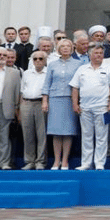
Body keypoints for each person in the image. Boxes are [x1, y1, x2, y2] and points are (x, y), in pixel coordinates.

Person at [69, 42, 110, 170]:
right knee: (86, 136)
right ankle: (86, 163)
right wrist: (75, 104)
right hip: (85, 108)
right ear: (90, 55)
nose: (99, 55)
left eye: (101, 53)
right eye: (96, 53)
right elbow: (75, 88)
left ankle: (100, 163)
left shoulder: (109, 68)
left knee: (102, 136)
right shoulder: (82, 69)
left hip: (102, 107)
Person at [42, 39, 81, 170]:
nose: (65, 48)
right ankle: (56, 160)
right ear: (58, 49)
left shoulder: (78, 64)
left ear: (72, 48)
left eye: (68, 46)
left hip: (70, 99)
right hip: (55, 99)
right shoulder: (52, 64)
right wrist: (45, 100)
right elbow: (47, 83)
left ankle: (65, 161)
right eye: (62, 46)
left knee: (68, 131)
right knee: (56, 131)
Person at [19, 50, 49, 169]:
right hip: (26, 103)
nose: (37, 61)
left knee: (41, 134)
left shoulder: (48, 73)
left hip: (41, 103)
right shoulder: (26, 73)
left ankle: (40, 161)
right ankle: (29, 161)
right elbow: (22, 90)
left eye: (40, 58)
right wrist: (20, 107)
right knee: (27, 134)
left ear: (45, 60)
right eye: (35, 59)